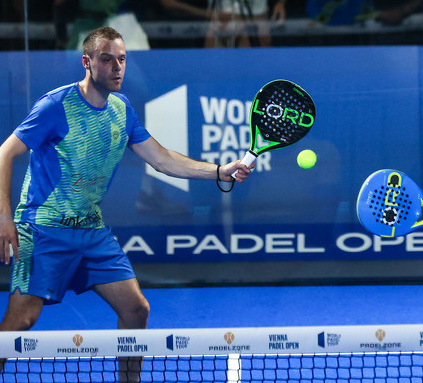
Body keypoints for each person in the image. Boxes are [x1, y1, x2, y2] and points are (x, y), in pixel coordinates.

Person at [0, 26, 252, 382]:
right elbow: (4, 153)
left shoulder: (121, 108)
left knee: (136, 310)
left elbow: (161, 159)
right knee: (20, 322)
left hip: (91, 230)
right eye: (107, 60)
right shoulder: (56, 105)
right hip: (43, 229)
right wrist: (3, 217)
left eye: (122, 59)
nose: (117, 67)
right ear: (87, 62)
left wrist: (220, 171)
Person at [205, 0, 287, 48]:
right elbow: (210, 15)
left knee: (246, 34)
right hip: (221, 23)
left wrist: (281, 3)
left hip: (254, 23)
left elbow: (261, 19)